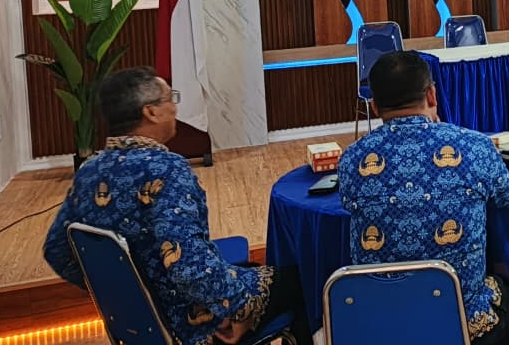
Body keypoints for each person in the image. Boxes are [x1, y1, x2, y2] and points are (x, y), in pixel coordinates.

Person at [43, 68, 312, 345]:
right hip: (189, 325)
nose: (175, 107)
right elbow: (189, 268)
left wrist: (125, 296)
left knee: (248, 268)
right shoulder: (166, 170)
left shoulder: (89, 171)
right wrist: (235, 310)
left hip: (142, 325)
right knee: (305, 279)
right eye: (169, 98)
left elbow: (57, 250)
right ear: (151, 112)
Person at [338, 51, 509, 345]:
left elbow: (346, 202)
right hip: (461, 319)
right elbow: (506, 196)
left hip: (380, 322)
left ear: (375, 106)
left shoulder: (353, 159)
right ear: (431, 95)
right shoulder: (474, 146)